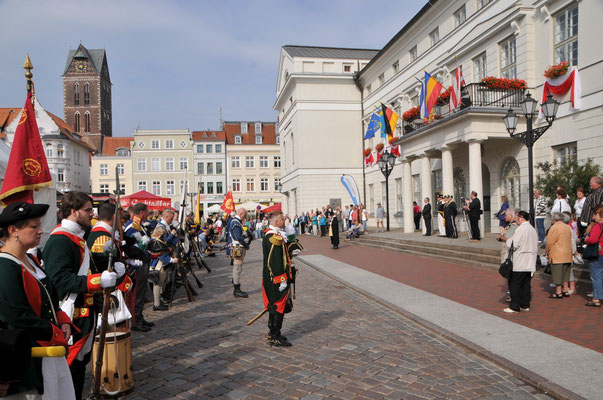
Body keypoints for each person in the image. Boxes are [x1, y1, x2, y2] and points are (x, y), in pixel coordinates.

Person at [43, 192, 121, 400]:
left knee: (80, 364)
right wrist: (97, 281)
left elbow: (84, 266)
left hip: (84, 312)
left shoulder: (76, 236)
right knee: (71, 367)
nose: (92, 213)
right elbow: (59, 279)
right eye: (87, 210)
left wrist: (108, 266)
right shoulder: (60, 240)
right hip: (72, 314)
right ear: (73, 211)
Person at [0, 202, 76, 399]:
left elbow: (50, 298)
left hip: (50, 350)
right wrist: (54, 332)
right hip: (28, 357)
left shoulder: (31, 261)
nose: (40, 231)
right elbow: (16, 316)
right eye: (33, 227)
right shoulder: (5, 266)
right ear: (13, 230)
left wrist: (62, 318)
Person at [262, 211, 293, 347]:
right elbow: (274, 262)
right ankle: (274, 336)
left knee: (275, 305)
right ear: (276, 222)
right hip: (275, 279)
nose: (283, 220)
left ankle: (274, 332)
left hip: (274, 278)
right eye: (281, 219)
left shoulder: (275, 235)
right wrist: (282, 279)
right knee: (277, 306)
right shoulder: (273, 237)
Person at [123, 202, 153, 332]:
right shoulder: (132, 226)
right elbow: (130, 247)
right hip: (137, 263)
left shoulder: (139, 225)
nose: (148, 214)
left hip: (143, 261)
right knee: (137, 294)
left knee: (141, 292)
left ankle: (139, 316)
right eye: (146, 212)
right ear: (141, 213)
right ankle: (135, 321)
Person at [504, 211, 538, 313]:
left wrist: (508, 240)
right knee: (526, 284)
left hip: (520, 260)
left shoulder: (521, 229)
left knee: (515, 284)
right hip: (530, 260)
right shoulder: (532, 229)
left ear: (521, 218)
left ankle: (514, 306)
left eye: (517, 217)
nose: (516, 219)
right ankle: (525, 304)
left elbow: (514, 244)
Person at [545, 212, 574, 298]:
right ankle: (565, 290)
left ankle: (558, 292)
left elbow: (549, 242)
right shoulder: (567, 227)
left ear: (554, 219)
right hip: (567, 253)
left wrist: (547, 252)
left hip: (557, 254)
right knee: (566, 273)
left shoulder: (554, 227)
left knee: (557, 273)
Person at [228, 208, 250, 298]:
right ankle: (236, 289)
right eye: (245, 215)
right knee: (237, 268)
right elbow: (238, 237)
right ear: (242, 214)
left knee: (237, 267)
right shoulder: (236, 223)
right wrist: (245, 243)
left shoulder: (235, 222)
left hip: (238, 247)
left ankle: (236, 285)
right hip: (238, 247)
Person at [584, 206, 603, 307]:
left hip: (598, 253)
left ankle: (596, 298)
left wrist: (587, 239)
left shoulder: (598, 226)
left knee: (596, 277)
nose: (594, 216)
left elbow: (593, 240)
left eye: (596, 214)